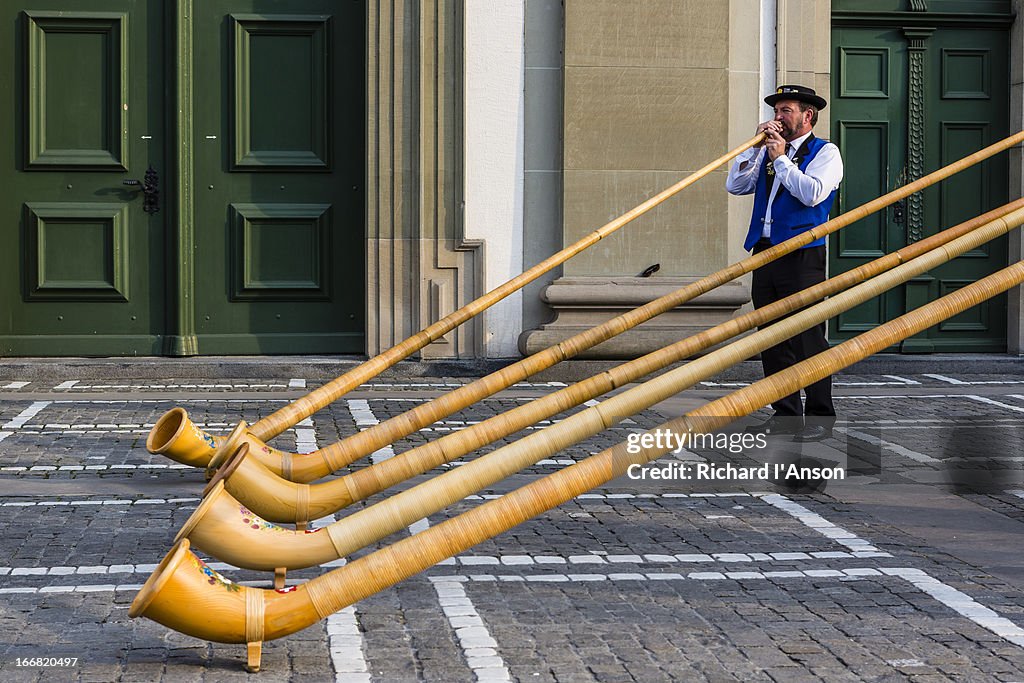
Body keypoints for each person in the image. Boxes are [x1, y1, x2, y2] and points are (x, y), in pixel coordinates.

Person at [725, 85, 844, 442]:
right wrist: (755, 150)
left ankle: (821, 418)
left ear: (807, 116)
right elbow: (736, 185)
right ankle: (786, 414)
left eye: (786, 110)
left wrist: (781, 160)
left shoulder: (826, 152)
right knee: (772, 336)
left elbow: (813, 194)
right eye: (777, 110)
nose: (778, 117)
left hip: (803, 253)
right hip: (764, 251)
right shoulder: (769, 152)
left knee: (807, 336)